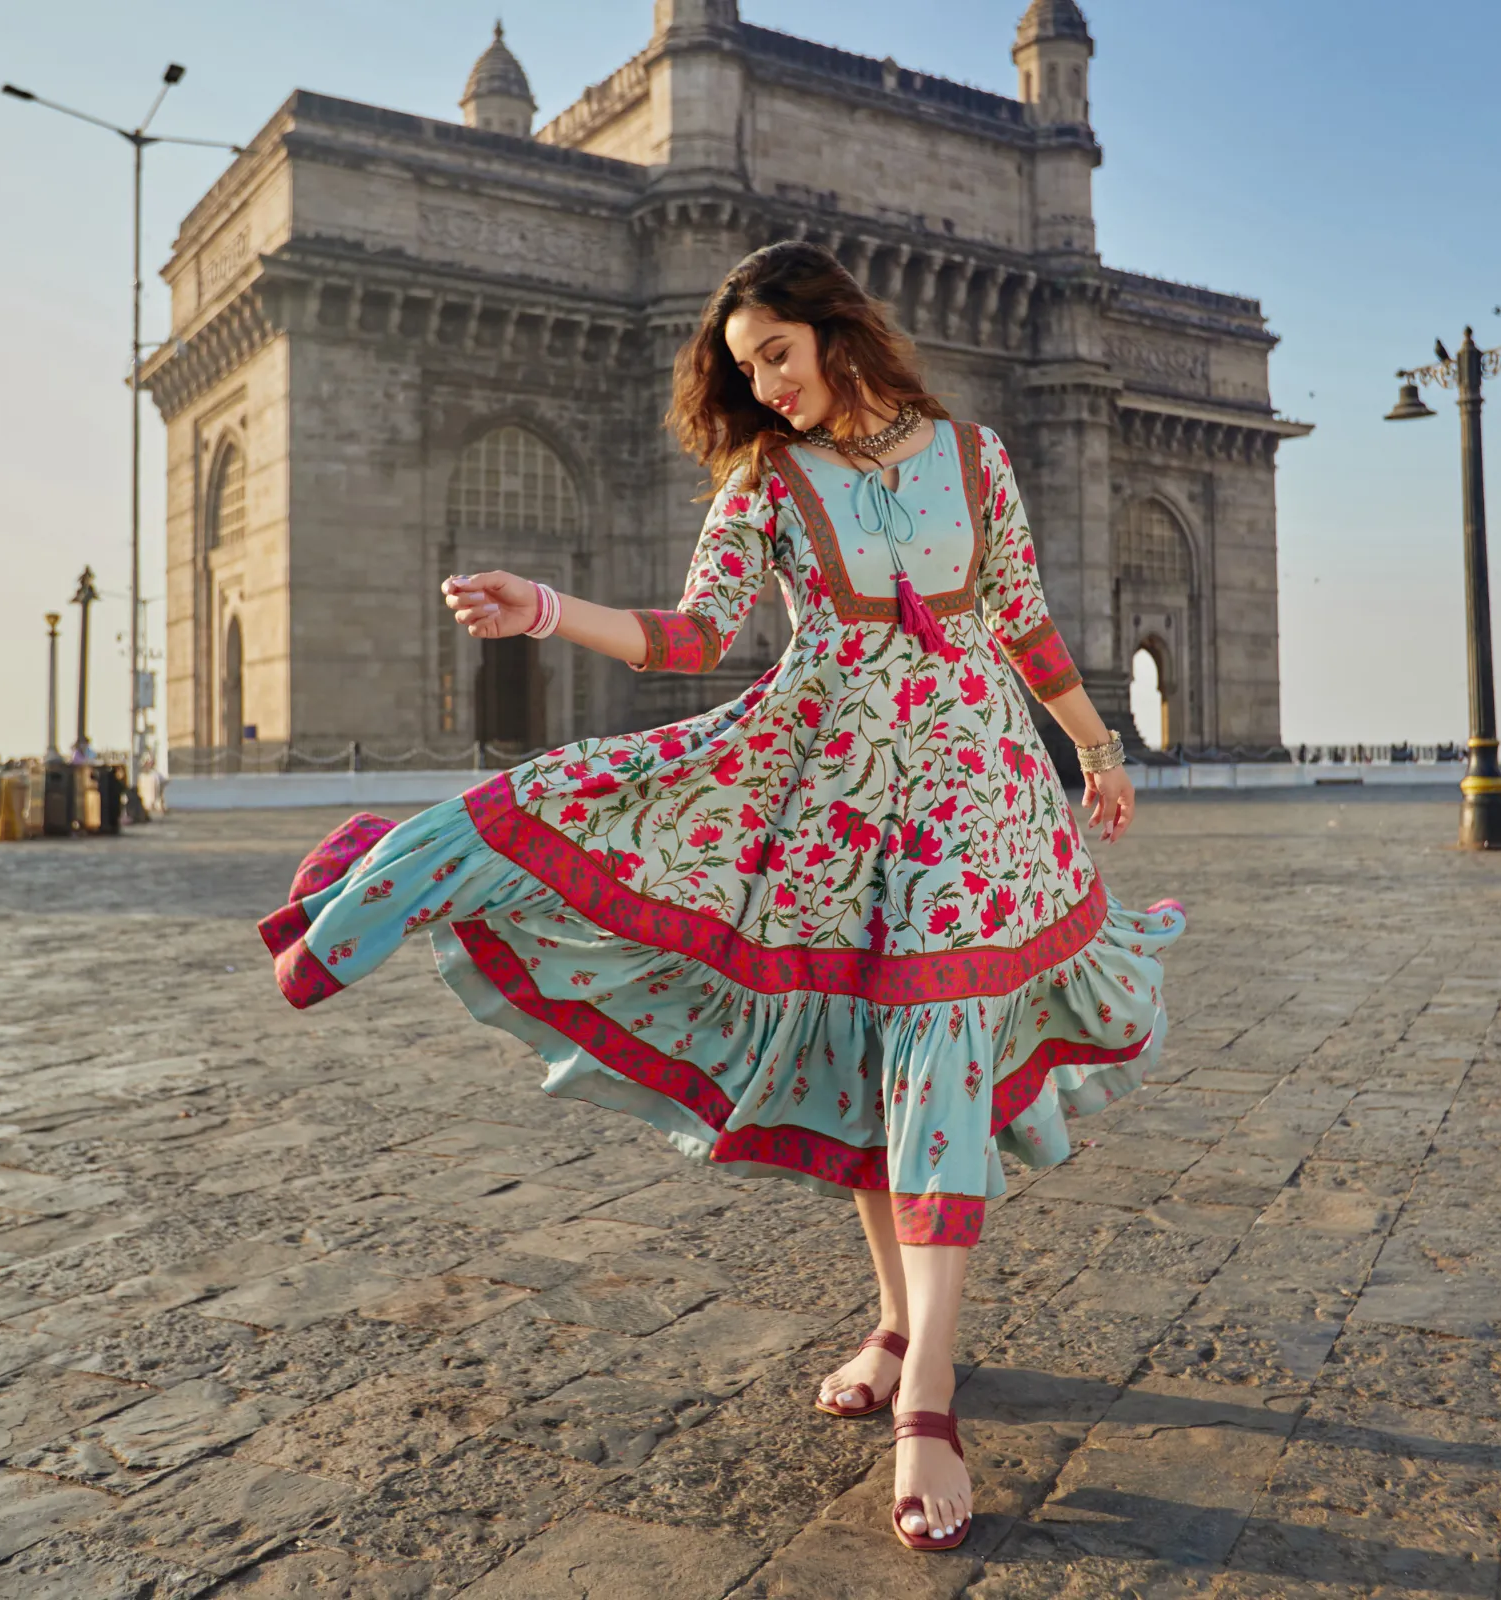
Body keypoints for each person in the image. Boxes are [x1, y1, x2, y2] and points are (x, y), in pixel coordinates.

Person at [257, 241, 1184, 1553]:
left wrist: (1095, 750)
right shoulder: (766, 481)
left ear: (836, 334)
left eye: (776, 357)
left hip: (980, 801)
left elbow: (1022, 622)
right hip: (833, 807)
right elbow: (693, 634)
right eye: (746, 371)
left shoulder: (976, 460)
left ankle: (927, 1392)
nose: (765, 386)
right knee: (877, 1059)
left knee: (937, 1043)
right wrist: (545, 611)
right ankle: (897, 1324)